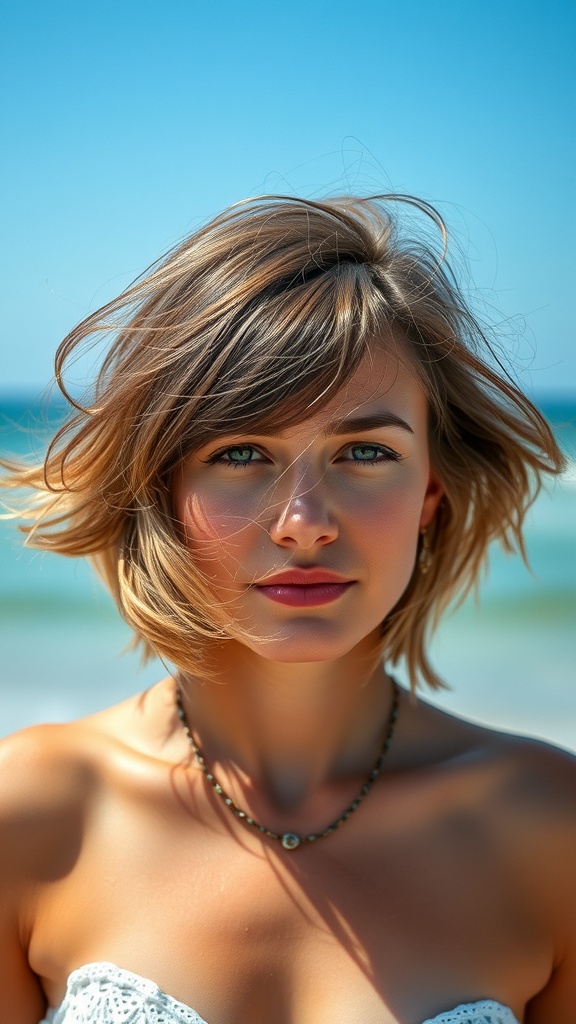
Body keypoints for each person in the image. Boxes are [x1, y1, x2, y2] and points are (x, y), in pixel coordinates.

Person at [1, 193, 575, 1024]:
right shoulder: (33, 812)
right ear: (165, 490)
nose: (304, 523)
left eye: (366, 452)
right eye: (241, 452)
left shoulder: (548, 828)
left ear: (430, 495)